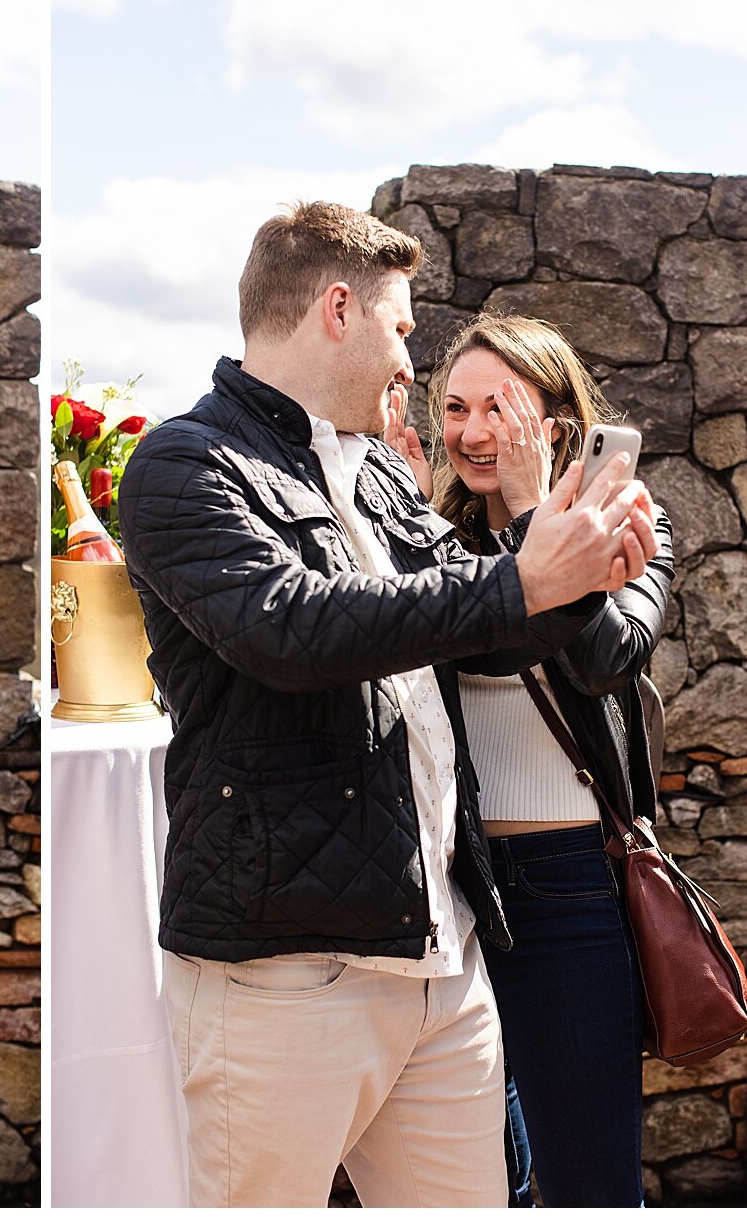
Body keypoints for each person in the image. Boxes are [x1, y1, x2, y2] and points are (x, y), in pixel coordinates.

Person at [116, 201, 659, 1208]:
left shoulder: (372, 468)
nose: (408, 353)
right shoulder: (182, 466)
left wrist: (574, 570)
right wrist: (520, 580)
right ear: (338, 308)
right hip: (283, 974)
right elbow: (289, 628)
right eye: (401, 324)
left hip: (440, 957)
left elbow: (476, 611)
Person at [415, 312, 672, 1206]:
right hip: (448, 885)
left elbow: (606, 659)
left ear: (559, 419)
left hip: (567, 883)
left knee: (588, 1178)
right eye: (456, 407)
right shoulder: (425, 533)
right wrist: (405, 527)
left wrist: (535, 517)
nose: (475, 432)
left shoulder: (630, 519)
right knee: (474, 1179)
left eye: (502, 407)